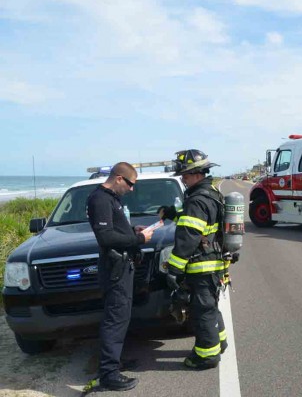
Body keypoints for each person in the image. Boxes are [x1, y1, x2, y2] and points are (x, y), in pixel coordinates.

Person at [160, 149, 230, 369]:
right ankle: (219, 342)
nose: (183, 178)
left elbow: (188, 237)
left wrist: (174, 269)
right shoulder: (210, 194)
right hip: (214, 263)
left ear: (197, 173)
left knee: (202, 311)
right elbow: (198, 224)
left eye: (185, 175)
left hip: (201, 265)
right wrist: (173, 214)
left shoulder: (196, 200)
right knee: (210, 307)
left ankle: (206, 356)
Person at [87, 162, 154, 391]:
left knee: (121, 317)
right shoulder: (100, 200)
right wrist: (139, 240)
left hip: (122, 267)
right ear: (118, 178)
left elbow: (115, 230)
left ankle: (114, 362)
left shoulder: (112, 199)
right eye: (131, 183)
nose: (132, 189)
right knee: (115, 320)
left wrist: (132, 231)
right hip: (115, 268)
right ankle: (108, 374)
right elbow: (105, 238)